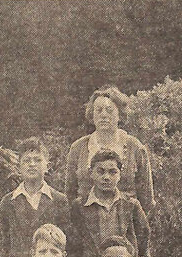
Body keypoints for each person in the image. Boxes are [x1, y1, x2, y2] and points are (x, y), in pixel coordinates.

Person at [64, 87, 155, 218]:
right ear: (92, 115)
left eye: (109, 110)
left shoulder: (135, 147)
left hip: (126, 226)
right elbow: (69, 195)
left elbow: (146, 199)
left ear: (120, 114)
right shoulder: (78, 148)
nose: (104, 115)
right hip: (87, 226)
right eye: (99, 110)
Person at [68, 148, 151, 257]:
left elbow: (143, 242)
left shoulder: (131, 205)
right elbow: (74, 246)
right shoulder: (79, 206)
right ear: (91, 173)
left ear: (120, 175)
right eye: (100, 171)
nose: (106, 177)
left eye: (112, 172)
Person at [0, 141, 71, 257]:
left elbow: (67, 243)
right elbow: (2, 243)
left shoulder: (59, 200)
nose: (32, 164)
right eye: (26, 161)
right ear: (18, 166)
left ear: (47, 166)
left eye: (37, 160)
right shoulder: (8, 202)